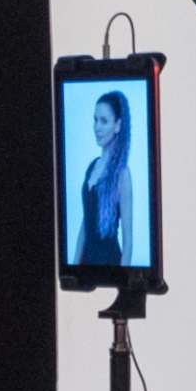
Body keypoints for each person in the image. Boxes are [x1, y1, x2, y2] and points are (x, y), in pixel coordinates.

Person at [72, 87, 139, 270]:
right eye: (95, 120)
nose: (97, 127)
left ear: (117, 125)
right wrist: (73, 268)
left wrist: (121, 279)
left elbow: (128, 242)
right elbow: (86, 224)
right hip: (87, 265)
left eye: (104, 121)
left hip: (110, 265)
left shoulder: (123, 175)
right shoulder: (92, 166)